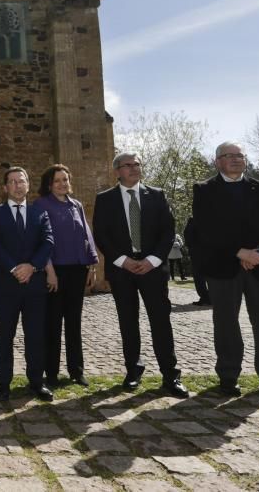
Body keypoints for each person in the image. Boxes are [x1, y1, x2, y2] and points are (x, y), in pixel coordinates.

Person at [191, 141, 259, 400]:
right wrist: (239, 252)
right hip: (223, 267)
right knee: (225, 323)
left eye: (240, 155)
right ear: (217, 162)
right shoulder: (204, 190)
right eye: (229, 155)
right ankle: (228, 377)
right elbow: (205, 230)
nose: (236, 159)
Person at [92, 151, 189, 398]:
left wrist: (153, 260)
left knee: (161, 321)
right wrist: (123, 261)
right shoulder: (105, 199)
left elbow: (168, 232)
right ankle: (133, 371)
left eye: (137, 164)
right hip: (122, 270)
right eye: (128, 165)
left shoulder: (157, 195)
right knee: (128, 321)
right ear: (117, 171)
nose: (134, 168)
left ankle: (170, 376)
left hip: (153, 269)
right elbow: (101, 234)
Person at [0, 167, 55, 401]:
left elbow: (47, 242)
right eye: (12, 182)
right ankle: (3, 383)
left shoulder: (40, 214)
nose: (17, 185)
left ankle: (37, 381)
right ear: (5, 188)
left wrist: (32, 267)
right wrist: (15, 268)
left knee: (35, 334)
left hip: (35, 285)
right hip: (7, 284)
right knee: (5, 334)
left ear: (27, 185)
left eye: (21, 181)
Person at [34, 164, 98, 388]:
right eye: (57, 180)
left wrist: (91, 266)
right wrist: (49, 271)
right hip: (54, 272)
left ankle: (76, 371)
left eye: (65, 179)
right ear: (49, 185)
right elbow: (40, 241)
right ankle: (50, 373)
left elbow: (86, 236)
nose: (63, 184)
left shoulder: (76, 205)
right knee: (52, 324)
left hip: (77, 270)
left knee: (74, 323)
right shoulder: (42, 205)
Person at [183, 217, 211, 306]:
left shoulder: (192, 222)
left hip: (197, 253)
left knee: (199, 277)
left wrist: (191, 247)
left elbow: (188, 237)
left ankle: (205, 298)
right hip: (210, 252)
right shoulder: (211, 220)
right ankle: (211, 297)